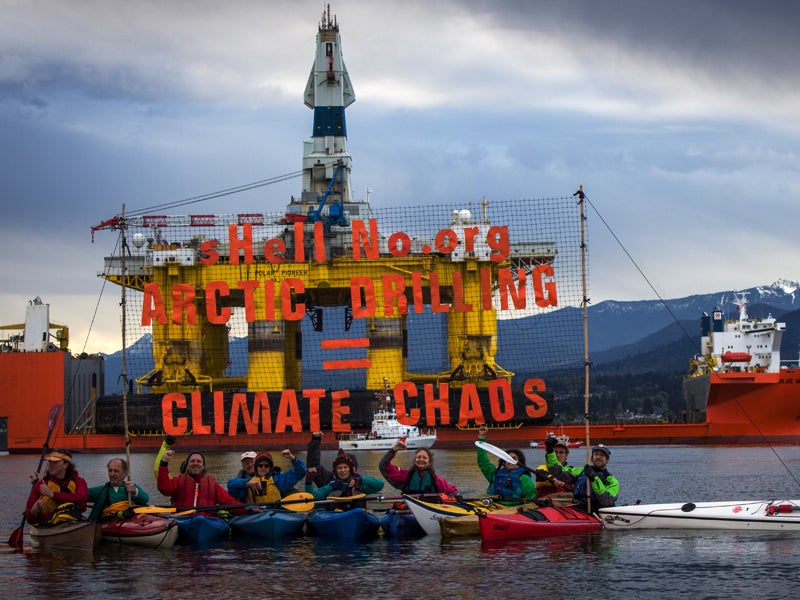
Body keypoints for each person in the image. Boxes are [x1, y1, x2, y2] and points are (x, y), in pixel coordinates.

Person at [157, 449, 244, 515]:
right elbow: (164, 488)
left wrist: (248, 509)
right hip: (182, 519)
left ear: (203, 467)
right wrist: (164, 463)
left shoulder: (213, 485)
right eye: (192, 461)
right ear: (187, 466)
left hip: (206, 522)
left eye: (199, 461)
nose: (195, 463)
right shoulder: (178, 481)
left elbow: (229, 502)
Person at [25, 449, 89, 526]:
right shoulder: (41, 485)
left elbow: (81, 499)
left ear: (65, 464)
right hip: (48, 525)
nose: (51, 465)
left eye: (55, 462)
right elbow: (29, 518)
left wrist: (53, 495)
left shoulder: (79, 482)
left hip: (73, 522)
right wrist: (33, 512)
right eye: (50, 462)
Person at [549, 444, 619, 513]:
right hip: (577, 505)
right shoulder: (582, 471)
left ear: (607, 460)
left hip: (594, 511)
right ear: (592, 458)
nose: (598, 457)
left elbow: (606, 501)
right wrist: (550, 452)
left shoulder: (612, 481)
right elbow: (558, 473)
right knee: (547, 501)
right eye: (596, 454)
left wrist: (594, 479)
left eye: (602, 455)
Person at [476, 425, 536, 502]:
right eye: (507, 458)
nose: (510, 461)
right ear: (504, 462)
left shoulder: (525, 479)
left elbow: (531, 498)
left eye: (514, 458)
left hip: (512, 509)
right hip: (494, 506)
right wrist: (482, 437)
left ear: (520, 462)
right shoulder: (495, 474)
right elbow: (483, 462)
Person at [379, 441, 458, 494]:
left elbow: (453, 492)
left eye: (424, 458)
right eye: (419, 457)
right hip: (408, 511)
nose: (421, 459)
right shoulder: (405, 476)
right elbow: (383, 466)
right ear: (414, 460)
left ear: (429, 462)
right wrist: (394, 450)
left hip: (429, 510)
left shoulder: (437, 480)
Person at [305, 449, 384, 499]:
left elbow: (380, 484)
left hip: (356, 513)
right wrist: (308, 482)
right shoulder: (332, 485)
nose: (343, 470)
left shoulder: (359, 483)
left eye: (345, 467)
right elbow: (313, 497)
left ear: (350, 469)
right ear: (336, 471)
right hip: (336, 515)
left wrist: (361, 480)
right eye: (339, 468)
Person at [238, 449, 307, 504]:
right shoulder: (245, 480)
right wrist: (244, 484)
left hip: (274, 511)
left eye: (266, 466)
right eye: (260, 465)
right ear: (256, 467)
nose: (263, 468)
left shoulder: (278, 479)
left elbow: (301, 471)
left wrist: (292, 458)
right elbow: (231, 486)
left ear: (270, 467)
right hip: (255, 513)